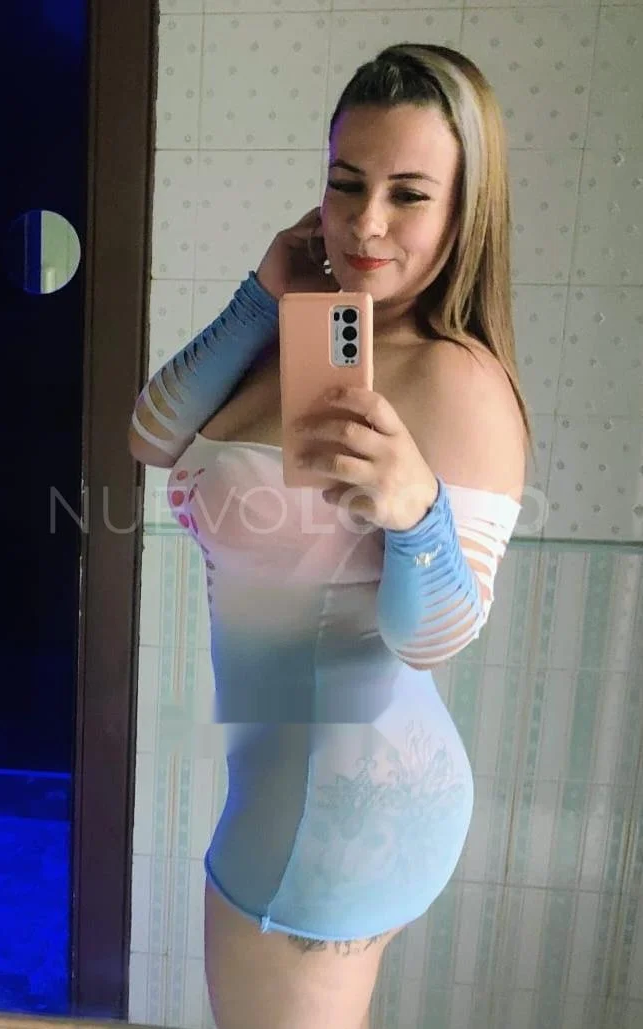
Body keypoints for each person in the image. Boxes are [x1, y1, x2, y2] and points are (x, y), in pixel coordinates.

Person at [129, 43, 529, 1029]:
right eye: (347, 183)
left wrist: (418, 513)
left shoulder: (457, 380)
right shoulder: (314, 330)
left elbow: (433, 640)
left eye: (409, 194)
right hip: (298, 783)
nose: (367, 222)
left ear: (465, 209)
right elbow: (148, 434)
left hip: (339, 810)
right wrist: (261, 295)